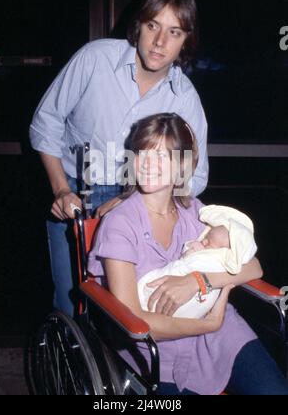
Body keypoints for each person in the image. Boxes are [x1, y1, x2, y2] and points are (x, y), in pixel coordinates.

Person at [29, 0, 209, 316]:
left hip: (138, 206)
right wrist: (60, 189)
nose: (159, 42)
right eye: (153, 25)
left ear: (186, 41)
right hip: (73, 197)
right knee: (71, 307)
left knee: (125, 313)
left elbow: (195, 176)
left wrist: (131, 200)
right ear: (138, 24)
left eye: (174, 32)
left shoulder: (184, 97)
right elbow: (46, 122)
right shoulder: (95, 58)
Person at [88, 113, 288, 395]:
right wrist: (204, 324)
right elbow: (134, 322)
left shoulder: (196, 212)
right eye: (142, 153)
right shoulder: (119, 223)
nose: (147, 165)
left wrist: (198, 281)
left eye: (162, 157)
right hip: (158, 349)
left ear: (182, 164)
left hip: (222, 336)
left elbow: (253, 267)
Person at [138, 204, 258, 319]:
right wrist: (212, 323)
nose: (204, 242)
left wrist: (198, 281)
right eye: (206, 238)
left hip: (215, 316)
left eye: (209, 244)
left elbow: (255, 268)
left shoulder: (194, 209)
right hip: (167, 320)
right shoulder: (127, 217)